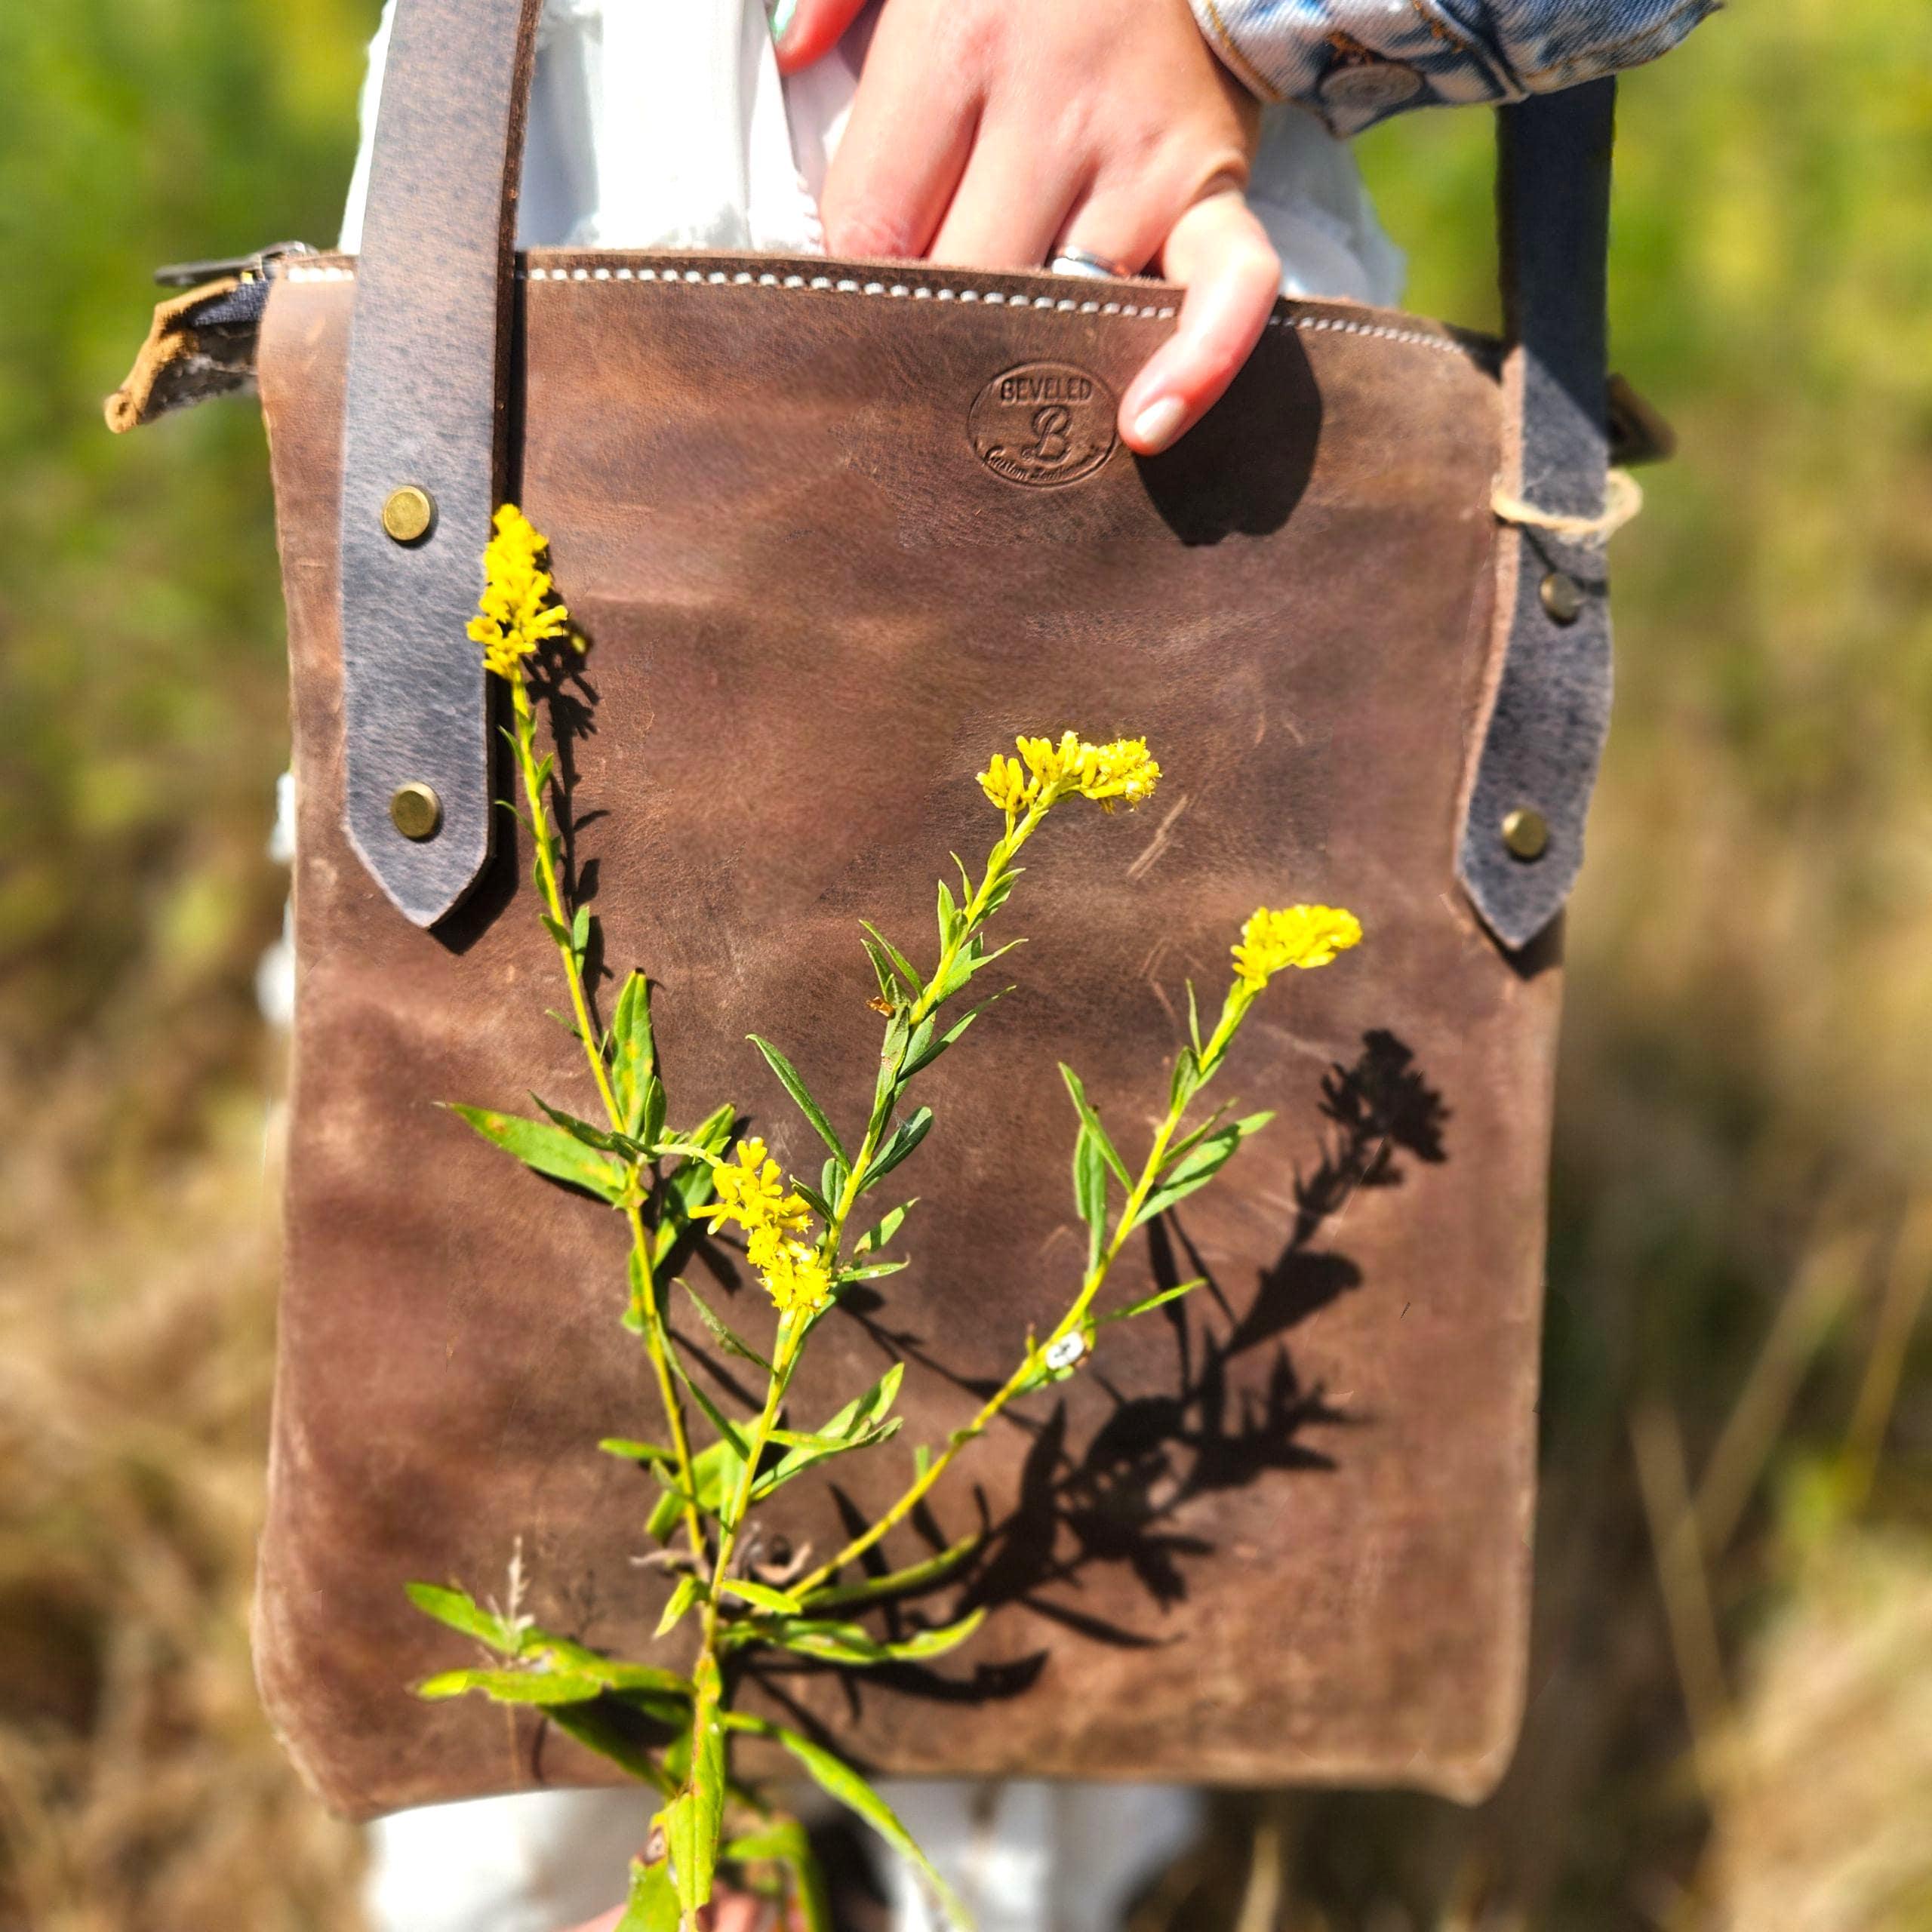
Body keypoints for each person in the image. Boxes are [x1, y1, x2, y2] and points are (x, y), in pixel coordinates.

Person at [343, 2, 1716, 1926]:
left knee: (1037, 1758)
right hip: (582, 204)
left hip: (1125, 220)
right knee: (526, 1687)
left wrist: (1233, 20)